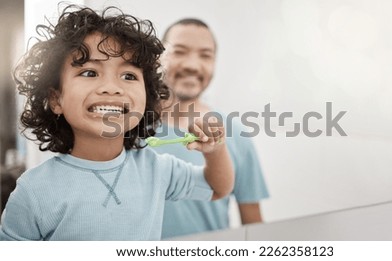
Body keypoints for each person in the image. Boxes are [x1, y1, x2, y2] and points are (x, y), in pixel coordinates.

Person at [0, 5, 233, 241]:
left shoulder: (156, 169)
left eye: (129, 76)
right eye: (90, 73)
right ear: (56, 99)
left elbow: (217, 188)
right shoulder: (34, 190)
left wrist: (216, 151)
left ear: (147, 97)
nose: (112, 88)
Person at [154, 18, 269, 239]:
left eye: (205, 55)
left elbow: (254, 227)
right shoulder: (127, 128)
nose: (192, 65)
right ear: (158, 58)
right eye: (179, 51)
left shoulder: (235, 134)